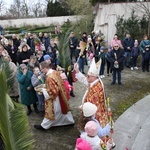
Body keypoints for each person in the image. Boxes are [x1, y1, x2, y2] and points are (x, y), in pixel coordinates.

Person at [34, 61, 74, 130]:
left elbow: (53, 92)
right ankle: (69, 121)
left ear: (44, 68)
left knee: (53, 111)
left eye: (41, 69)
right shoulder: (54, 72)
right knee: (61, 109)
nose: (41, 71)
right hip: (61, 95)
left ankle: (44, 125)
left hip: (55, 99)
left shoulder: (49, 77)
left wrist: (44, 90)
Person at [74, 58, 108, 129]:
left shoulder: (97, 89)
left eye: (88, 76)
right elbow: (84, 80)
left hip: (94, 114)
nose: (87, 77)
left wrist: (82, 107)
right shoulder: (93, 82)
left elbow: (92, 105)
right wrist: (77, 71)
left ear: (94, 76)